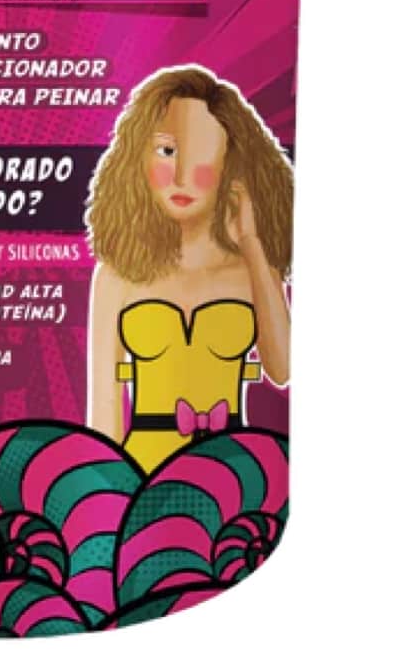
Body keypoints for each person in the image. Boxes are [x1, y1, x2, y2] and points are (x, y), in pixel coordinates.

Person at [85, 65, 292, 470]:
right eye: (167, 151)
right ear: (138, 156)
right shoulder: (117, 275)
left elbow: (283, 370)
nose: (180, 177)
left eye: (202, 155)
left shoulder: (251, 268)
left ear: (231, 165)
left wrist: (253, 244)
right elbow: (104, 409)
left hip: (234, 468)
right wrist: (109, 488)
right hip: (142, 469)